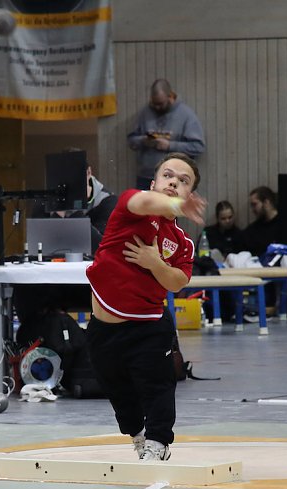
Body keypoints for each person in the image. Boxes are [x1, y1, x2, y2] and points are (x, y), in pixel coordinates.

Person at [85, 152, 206, 462]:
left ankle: (158, 442)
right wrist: (174, 204)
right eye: (168, 175)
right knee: (117, 391)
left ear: (190, 194)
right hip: (103, 328)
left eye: (183, 181)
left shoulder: (182, 242)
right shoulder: (131, 205)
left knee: (158, 387)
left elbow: (177, 281)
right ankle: (138, 436)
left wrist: (154, 262)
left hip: (149, 325)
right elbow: (145, 202)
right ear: (154, 182)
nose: (174, 182)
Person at [127, 79, 205, 190]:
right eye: (154, 104)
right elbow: (131, 140)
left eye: (160, 104)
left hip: (174, 181)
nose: (157, 107)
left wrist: (169, 146)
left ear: (170, 97)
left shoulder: (186, 115)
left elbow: (198, 146)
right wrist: (144, 140)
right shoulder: (145, 112)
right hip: (146, 178)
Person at [237, 186, 280, 257]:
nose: (253, 209)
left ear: (266, 202)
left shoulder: (284, 226)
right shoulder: (251, 231)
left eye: (254, 204)